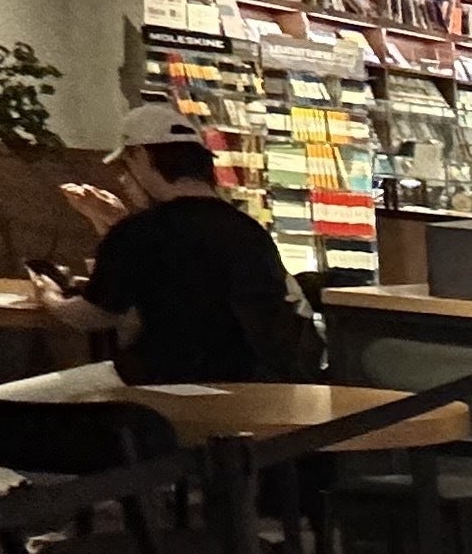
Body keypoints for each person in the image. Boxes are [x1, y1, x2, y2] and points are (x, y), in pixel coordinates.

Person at [48, 100, 314, 383]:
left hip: (165, 383)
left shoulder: (140, 231)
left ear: (140, 156)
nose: (124, 179)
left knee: (27, 399)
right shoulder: (250, 231)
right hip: (257, 384)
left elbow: (94, 315)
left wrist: (50, 297)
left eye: (126, 166)